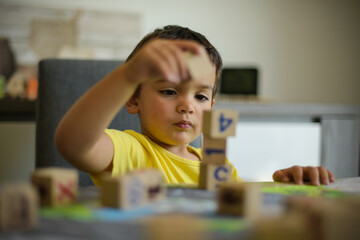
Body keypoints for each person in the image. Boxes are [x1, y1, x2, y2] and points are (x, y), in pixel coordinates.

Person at [55, 25, 335, 186]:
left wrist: (287, 187)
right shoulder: (131, 150)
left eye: (200, 97)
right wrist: (128, 76)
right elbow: (73, 145)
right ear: (132, 99)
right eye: (169, 91)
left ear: (212, 108)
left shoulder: (219, 164)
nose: (187, 106)